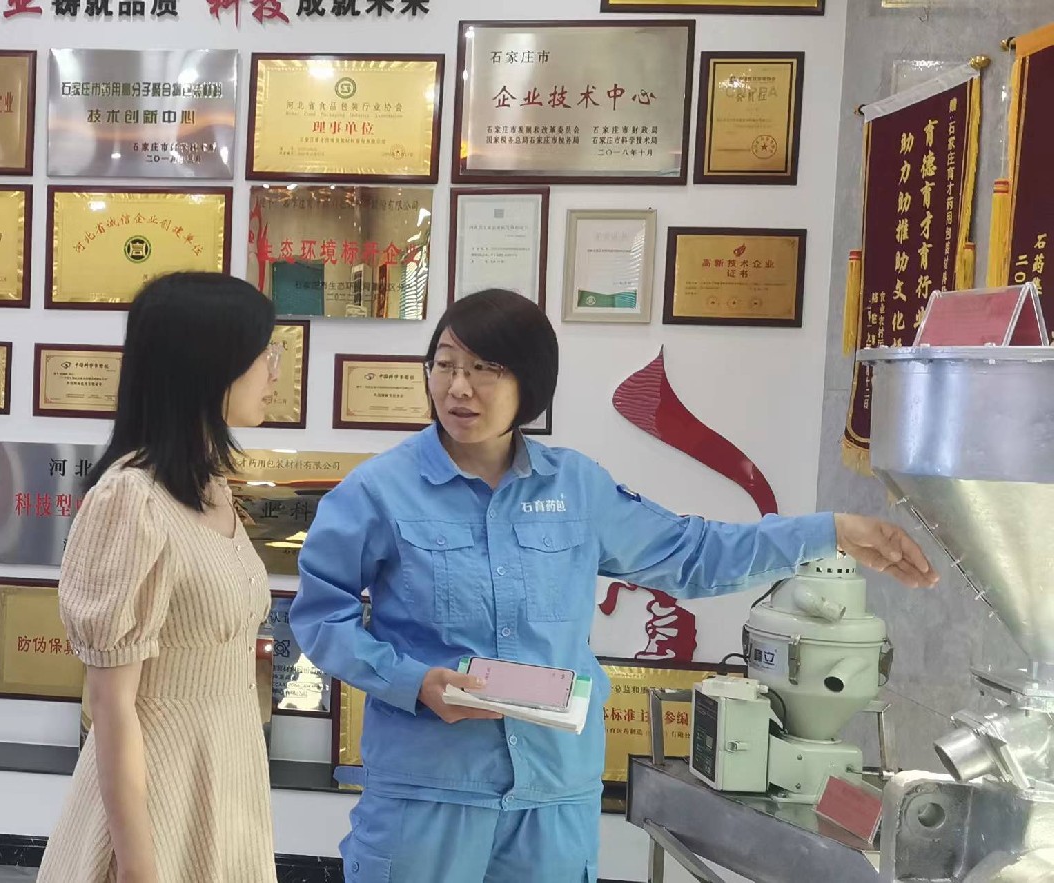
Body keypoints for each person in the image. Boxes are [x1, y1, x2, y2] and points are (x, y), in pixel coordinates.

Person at [290, 289, 937, 883]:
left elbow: (692, 554)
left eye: (485, 368)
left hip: (554, 794)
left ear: (529, 383)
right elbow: (321, 616)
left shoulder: (577, 487)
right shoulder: (379, 491)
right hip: (429, 793)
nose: (459, 386)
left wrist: (829, 532)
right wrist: (412, 682)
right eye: (445, 364)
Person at [38, 272, 282, 883]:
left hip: (229, 774)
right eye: (263, 354)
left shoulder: (211, 486)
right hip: (157, 790)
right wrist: (139, 866)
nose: (275, 372)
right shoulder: (130, 499)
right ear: (208, 366)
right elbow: (110, 704)